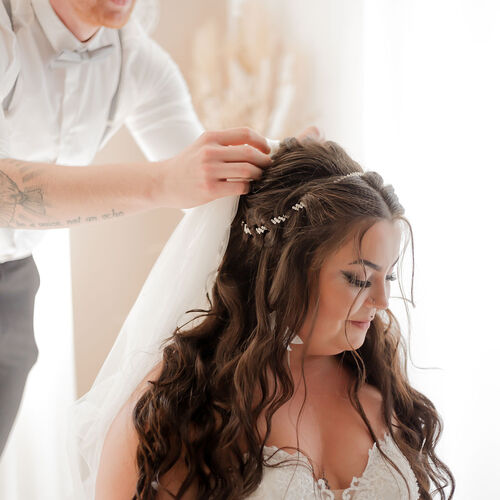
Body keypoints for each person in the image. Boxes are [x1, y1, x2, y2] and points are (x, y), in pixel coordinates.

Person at [73, 137, 455, 499]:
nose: (382, 300)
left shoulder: (382, 385)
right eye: (358, 278)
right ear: (282, 268)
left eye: (387, 277)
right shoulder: (180, 402)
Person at [0, 0, 301, 458]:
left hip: (13, 287)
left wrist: (295, 171)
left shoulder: (134, 59)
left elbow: (212, 192)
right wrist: (162, 182)